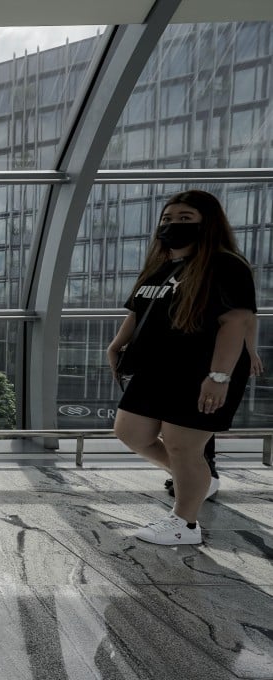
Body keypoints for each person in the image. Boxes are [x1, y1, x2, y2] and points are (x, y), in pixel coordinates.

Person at [108, 189, 256, 545]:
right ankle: (199, 477)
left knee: (182, 445)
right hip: (156, 368)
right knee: (131, 432)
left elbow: (236, 320)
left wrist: (219, 377)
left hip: (200, 370)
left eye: (185, 219)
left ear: (208, 223)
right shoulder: (162, 266)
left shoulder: (225, 264)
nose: (173, 225)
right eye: (168, 219)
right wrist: (116, 344)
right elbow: (139, 309)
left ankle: (185, 523)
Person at [163, 321, 262, 498]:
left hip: (213, 359)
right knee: (188, 419)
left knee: (201, 415)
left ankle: (205, 473)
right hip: (189, 355)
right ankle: (190, 474)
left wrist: (250, 351)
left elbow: (246, 318)